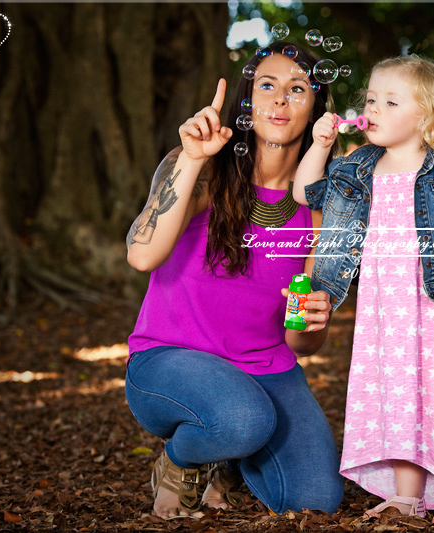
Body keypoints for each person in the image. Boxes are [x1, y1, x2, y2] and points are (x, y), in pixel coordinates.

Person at [124, 41, 344, 519]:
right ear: (247, 100)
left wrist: (314, 321)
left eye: (297, 88)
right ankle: (183, 460)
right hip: (169, 362)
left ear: (317, 110)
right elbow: (142, 255)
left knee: (316, 501)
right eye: (266, 86)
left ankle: (229, 457)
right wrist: (191, 158)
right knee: (243, 416)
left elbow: (300, 342)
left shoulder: (322, 207)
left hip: (266, 369)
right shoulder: (201, 170)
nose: (280, 100)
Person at [293, 55, 434, 524]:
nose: (373, 108)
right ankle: (406, 494)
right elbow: (307, 191)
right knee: (396, 393)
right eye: (371, 98)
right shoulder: (358, 167)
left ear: (427, 117)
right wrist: (319, 144)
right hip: (383, 311)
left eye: (390, 101)